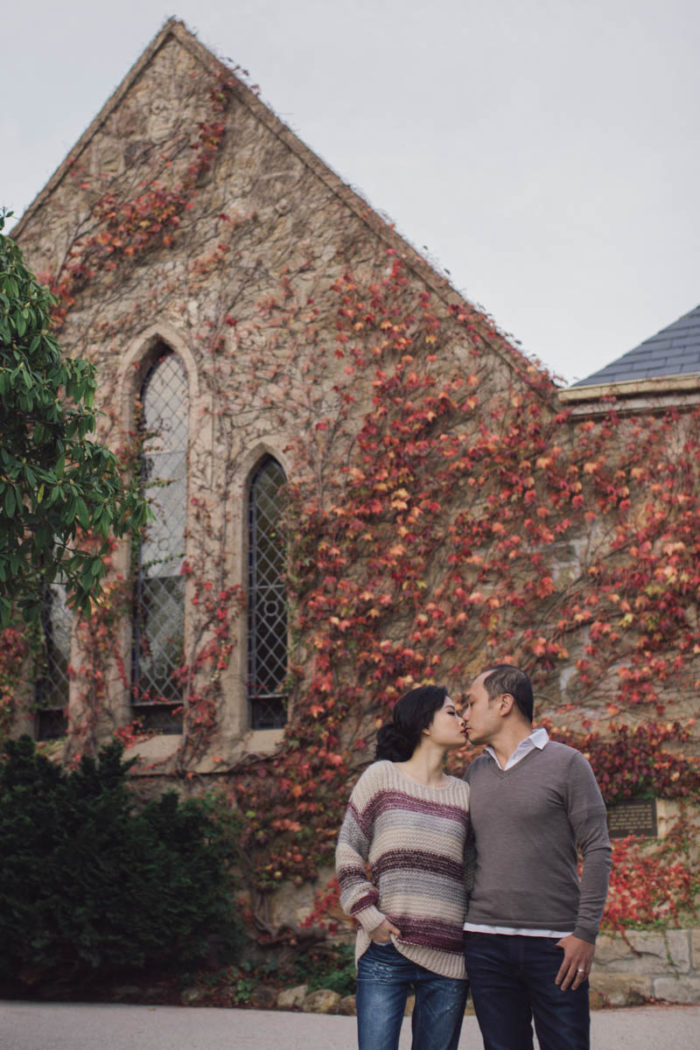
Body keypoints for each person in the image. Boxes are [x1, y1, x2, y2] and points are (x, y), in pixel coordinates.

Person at [462, 664, 612, 1050]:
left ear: (504, 703)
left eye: (471, 703)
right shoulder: (473, 773)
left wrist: (585, 933)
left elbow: (597, 848)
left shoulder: (568, 764)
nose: (464, 715)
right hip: (486, 943)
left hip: (555, 946)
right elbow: (465, 854)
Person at [336, 684, 471, 1050]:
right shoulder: (381, 778)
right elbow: (349, 847)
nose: (463, 720)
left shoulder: (465, 794)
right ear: (425, 723)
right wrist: (368, 915)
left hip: (448, 957)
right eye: (452, 712)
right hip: (386, 950)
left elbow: (473, 872)